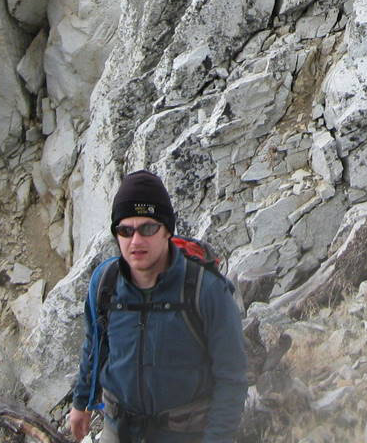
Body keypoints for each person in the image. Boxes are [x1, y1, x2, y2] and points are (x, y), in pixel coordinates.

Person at [70, 171, 247, 443]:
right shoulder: (105, 282)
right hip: (118, 428)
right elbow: (95, 344)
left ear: (167, 230)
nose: (135, 241)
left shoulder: (205, 290)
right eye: (125, 230)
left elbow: (232, 378)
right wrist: (81, 403)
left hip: (183, 435)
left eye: (148, 228)